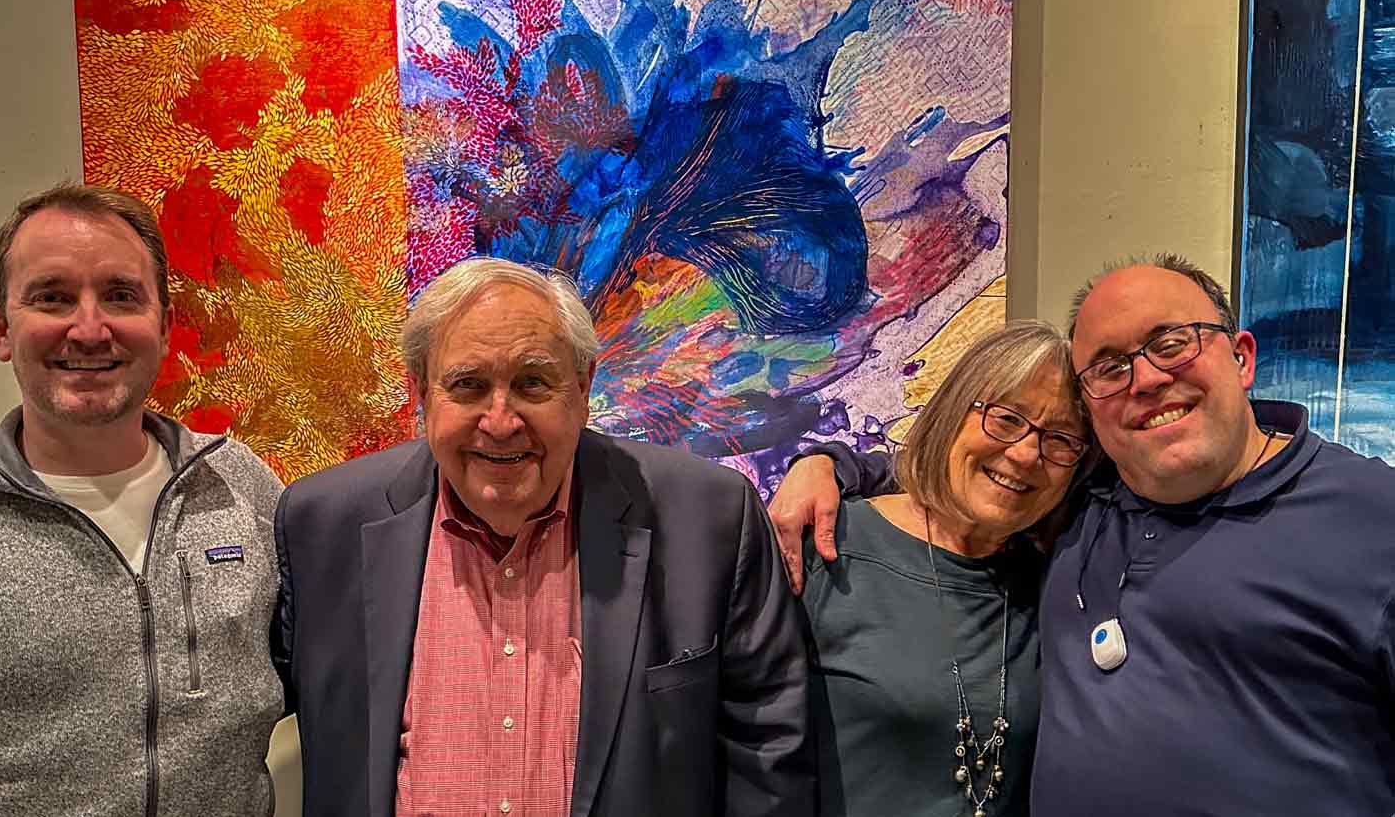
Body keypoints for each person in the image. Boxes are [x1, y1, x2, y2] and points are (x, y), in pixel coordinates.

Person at [771, 254, 1395, 815]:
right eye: (1110, 366)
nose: (1145, 380)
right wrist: (827, 463)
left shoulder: (1372, 518)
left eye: (1172, 343)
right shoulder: (1085, 510)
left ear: (1242, 357)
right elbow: (961, 481)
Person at [271, 256, 812, 817]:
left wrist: (838, 465)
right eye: (467, 385)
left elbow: (769, 749)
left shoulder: (709, 519)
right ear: (422, 393)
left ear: (582, 388)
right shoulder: (321, 527)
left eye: (532, 382)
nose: (501, 422)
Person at [0, 185, 287, 816]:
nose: (89, 329)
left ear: (165, 327)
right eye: (52, 297)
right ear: (2, 328)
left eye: (120, 295)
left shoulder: (241, 488)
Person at [801, 320, 1087, 817]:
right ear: (954, 412)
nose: (1024, 455)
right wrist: (823, 461)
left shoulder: (1055, 578)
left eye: (1060, 438)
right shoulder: (830, 543)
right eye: (1005, 418)